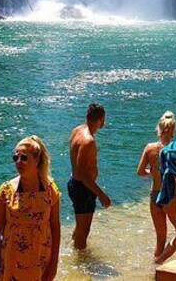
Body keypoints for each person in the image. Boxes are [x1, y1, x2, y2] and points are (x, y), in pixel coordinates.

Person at [0, 136, 61, 281]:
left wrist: (54, 264)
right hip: (12, 261)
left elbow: (55, 227)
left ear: (37, 160)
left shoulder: (49, 189)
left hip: (40, 259)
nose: (19, 162)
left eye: (24, 158)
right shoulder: (6, 191)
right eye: (16, 158)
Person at [137, 111, 176, 264]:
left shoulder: (149, 148)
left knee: (160, 239)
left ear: (158, 129)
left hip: (154, 196)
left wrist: (153, 173)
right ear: (173, 131)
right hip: (170, 195)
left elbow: (140, 172)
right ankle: (160, 262)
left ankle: (155, 271)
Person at [68, 102, 111, 250]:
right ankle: (80, 264)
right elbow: (83, 175)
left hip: (74, 183)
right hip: (82, 188)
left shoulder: (77, 130)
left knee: (80, 226)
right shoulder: (88, 141)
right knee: (84, 231)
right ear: (101, 119)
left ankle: (73, 250)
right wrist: (101, 194)